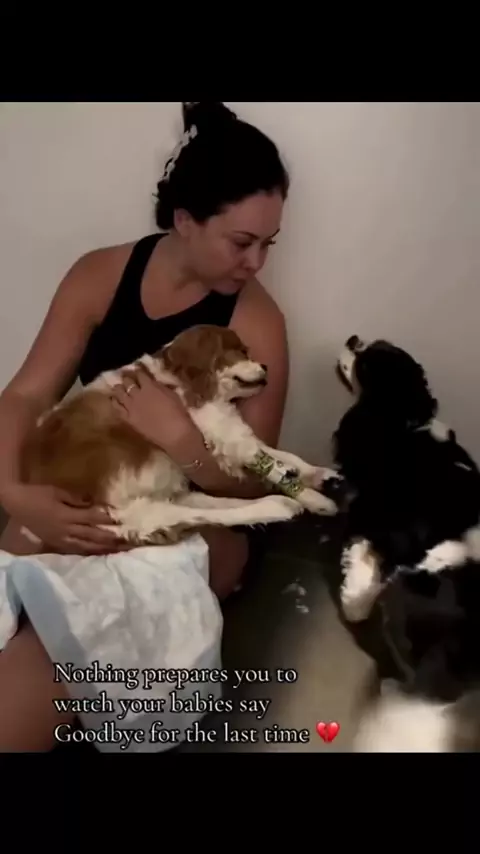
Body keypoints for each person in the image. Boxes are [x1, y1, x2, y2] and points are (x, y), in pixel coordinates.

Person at [0, 102, 293, 750]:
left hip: (202, 515)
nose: (257, 262)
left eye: (268, 244)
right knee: (15, 587)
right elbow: (22, 396)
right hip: (102, 483)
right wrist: (15, 494)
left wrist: (181, 442)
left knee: (69, 630)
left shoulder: (257, 321)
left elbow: (259, 481)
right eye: (242, 242)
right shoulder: (100, 276)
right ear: (186, 220)